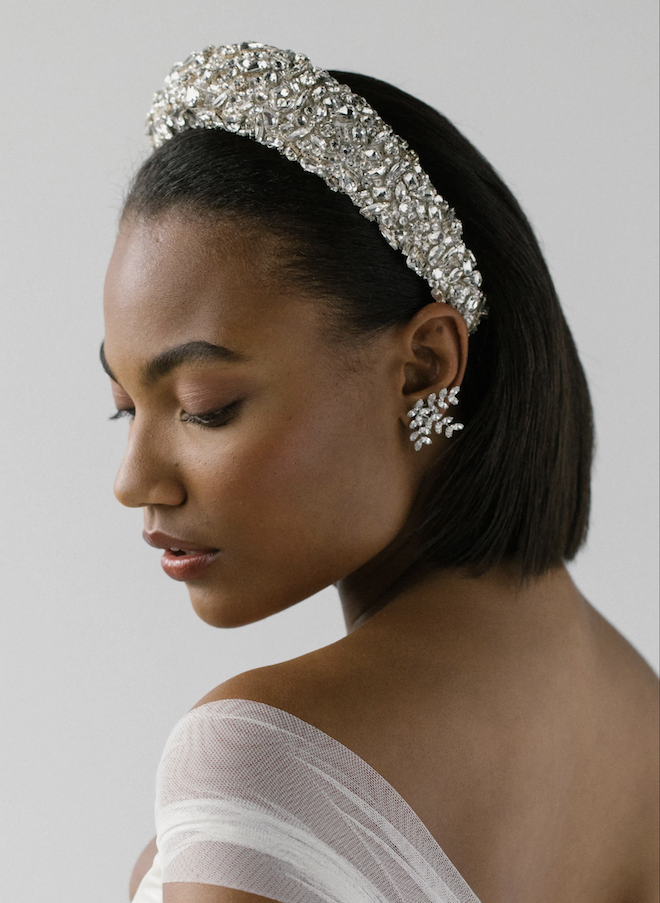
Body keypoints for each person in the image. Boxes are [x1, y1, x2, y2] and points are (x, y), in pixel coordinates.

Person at [102, 43, 659, 903]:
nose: (135, 479)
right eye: (123, 406)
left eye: (205, 404)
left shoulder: (261, 758)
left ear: (425, 366)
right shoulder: (641, 716)